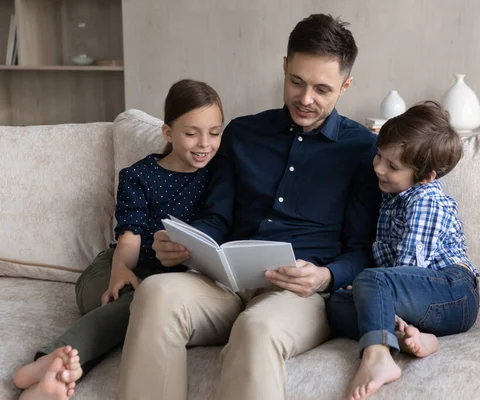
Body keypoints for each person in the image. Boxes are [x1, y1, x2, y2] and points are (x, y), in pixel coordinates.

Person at [117, 13, 381, 400]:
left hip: (299, 296)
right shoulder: (242, 133)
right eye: (296, 82)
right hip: (225, 285)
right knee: (156, 293)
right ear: (285, 66)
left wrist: (325, 276)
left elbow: (363, 249)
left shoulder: (363, 150)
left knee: (256, 328)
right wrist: (187, 244)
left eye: (322, 89)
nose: (305, 99)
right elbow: (217, 217)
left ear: (346, 85)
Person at [12, 79, 224, 400]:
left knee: (144, 304)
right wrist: (120, 271)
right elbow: (129, 237)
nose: (204, 143)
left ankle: (56, 372)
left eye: (215, 132)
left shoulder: (218, 177)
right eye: (191, 133)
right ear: (168, 133)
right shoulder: (140, 176)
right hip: (111, 271)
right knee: (132, 299)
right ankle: (51, 360)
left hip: (167, 291)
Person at [326, 101, 480, 400]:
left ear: (427, 176)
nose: (379, 168)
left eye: (393, 166)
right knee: (336, 304)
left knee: (371, 280)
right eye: (379, 156)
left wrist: (371, 288)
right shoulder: (393, 193)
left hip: (453, 292)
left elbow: (408, 269)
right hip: (420, 301)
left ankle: (378, 358)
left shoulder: (425, 200)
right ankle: (409, 337)